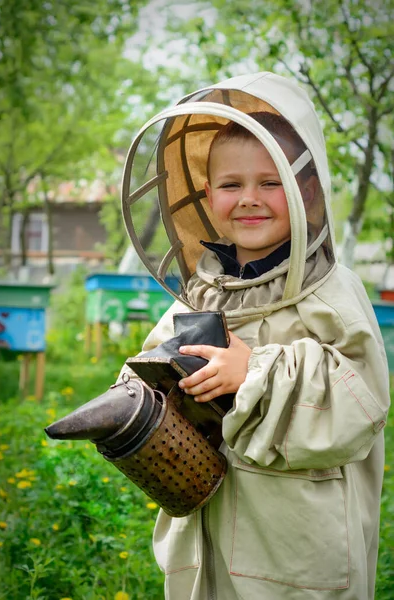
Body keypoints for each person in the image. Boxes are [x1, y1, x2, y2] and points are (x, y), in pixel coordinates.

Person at [119, 72, 390, 599]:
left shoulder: (331, 290)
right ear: (205, 194)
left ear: (305, 188)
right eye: (231, 184)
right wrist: (140, 392)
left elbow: (361, 400)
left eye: (271, 182)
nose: (250, 199)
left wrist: (255, 372)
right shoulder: (202, 289)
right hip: (207, 522)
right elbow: (154, 362)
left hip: (294, 538)